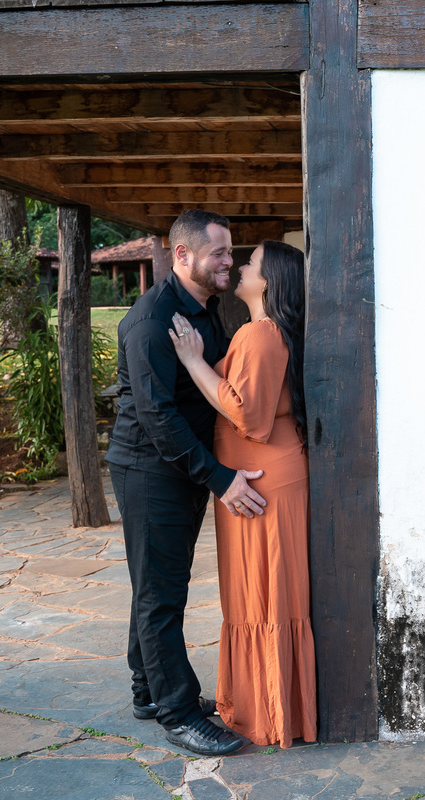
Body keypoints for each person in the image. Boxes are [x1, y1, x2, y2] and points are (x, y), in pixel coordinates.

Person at [105, 209, 266, 757]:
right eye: (219, 252)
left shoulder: (203, 310)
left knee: (156, 584)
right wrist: (220, 478)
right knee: (161, 595)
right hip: (150, 470)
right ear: (182, 255)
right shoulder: (153, 320)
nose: (229, 262)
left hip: (180, 466)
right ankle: (177, 712)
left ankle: (148, 691)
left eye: (230, 252)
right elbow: (158, 418)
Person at [169, 239, 317, 748]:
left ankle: (266, 713)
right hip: (270, 476)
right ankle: (278, 708)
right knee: (269, 596)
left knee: (259, 597)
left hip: (259, 483)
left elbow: (247, 414)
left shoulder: (259, 333)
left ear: (269, 280)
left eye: (250, 262)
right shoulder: (274, 332)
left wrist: (193, 361)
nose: (239, 266)